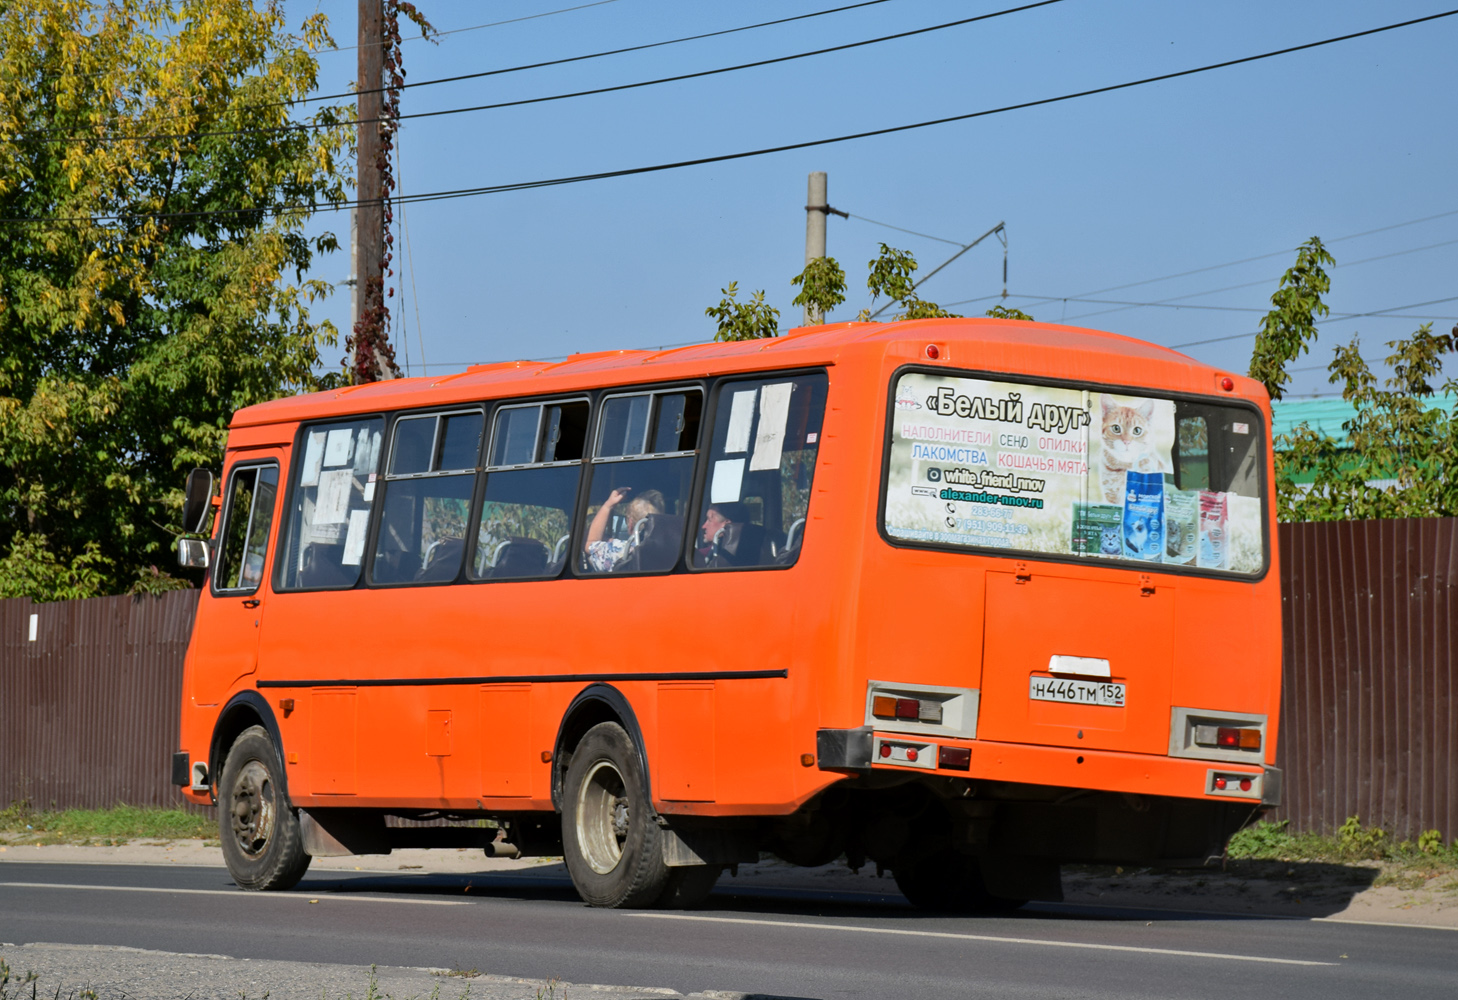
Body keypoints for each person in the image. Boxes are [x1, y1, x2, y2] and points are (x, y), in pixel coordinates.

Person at [583, 487, 665, 572]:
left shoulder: (621, 551)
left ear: (630, 524)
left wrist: (607, 506)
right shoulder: (673, 549)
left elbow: (589, 543)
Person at [695, 501, 758, 567]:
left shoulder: (699, 558)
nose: (703, 526)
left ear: (727, 525)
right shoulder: (759, 554)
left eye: (709, 520)